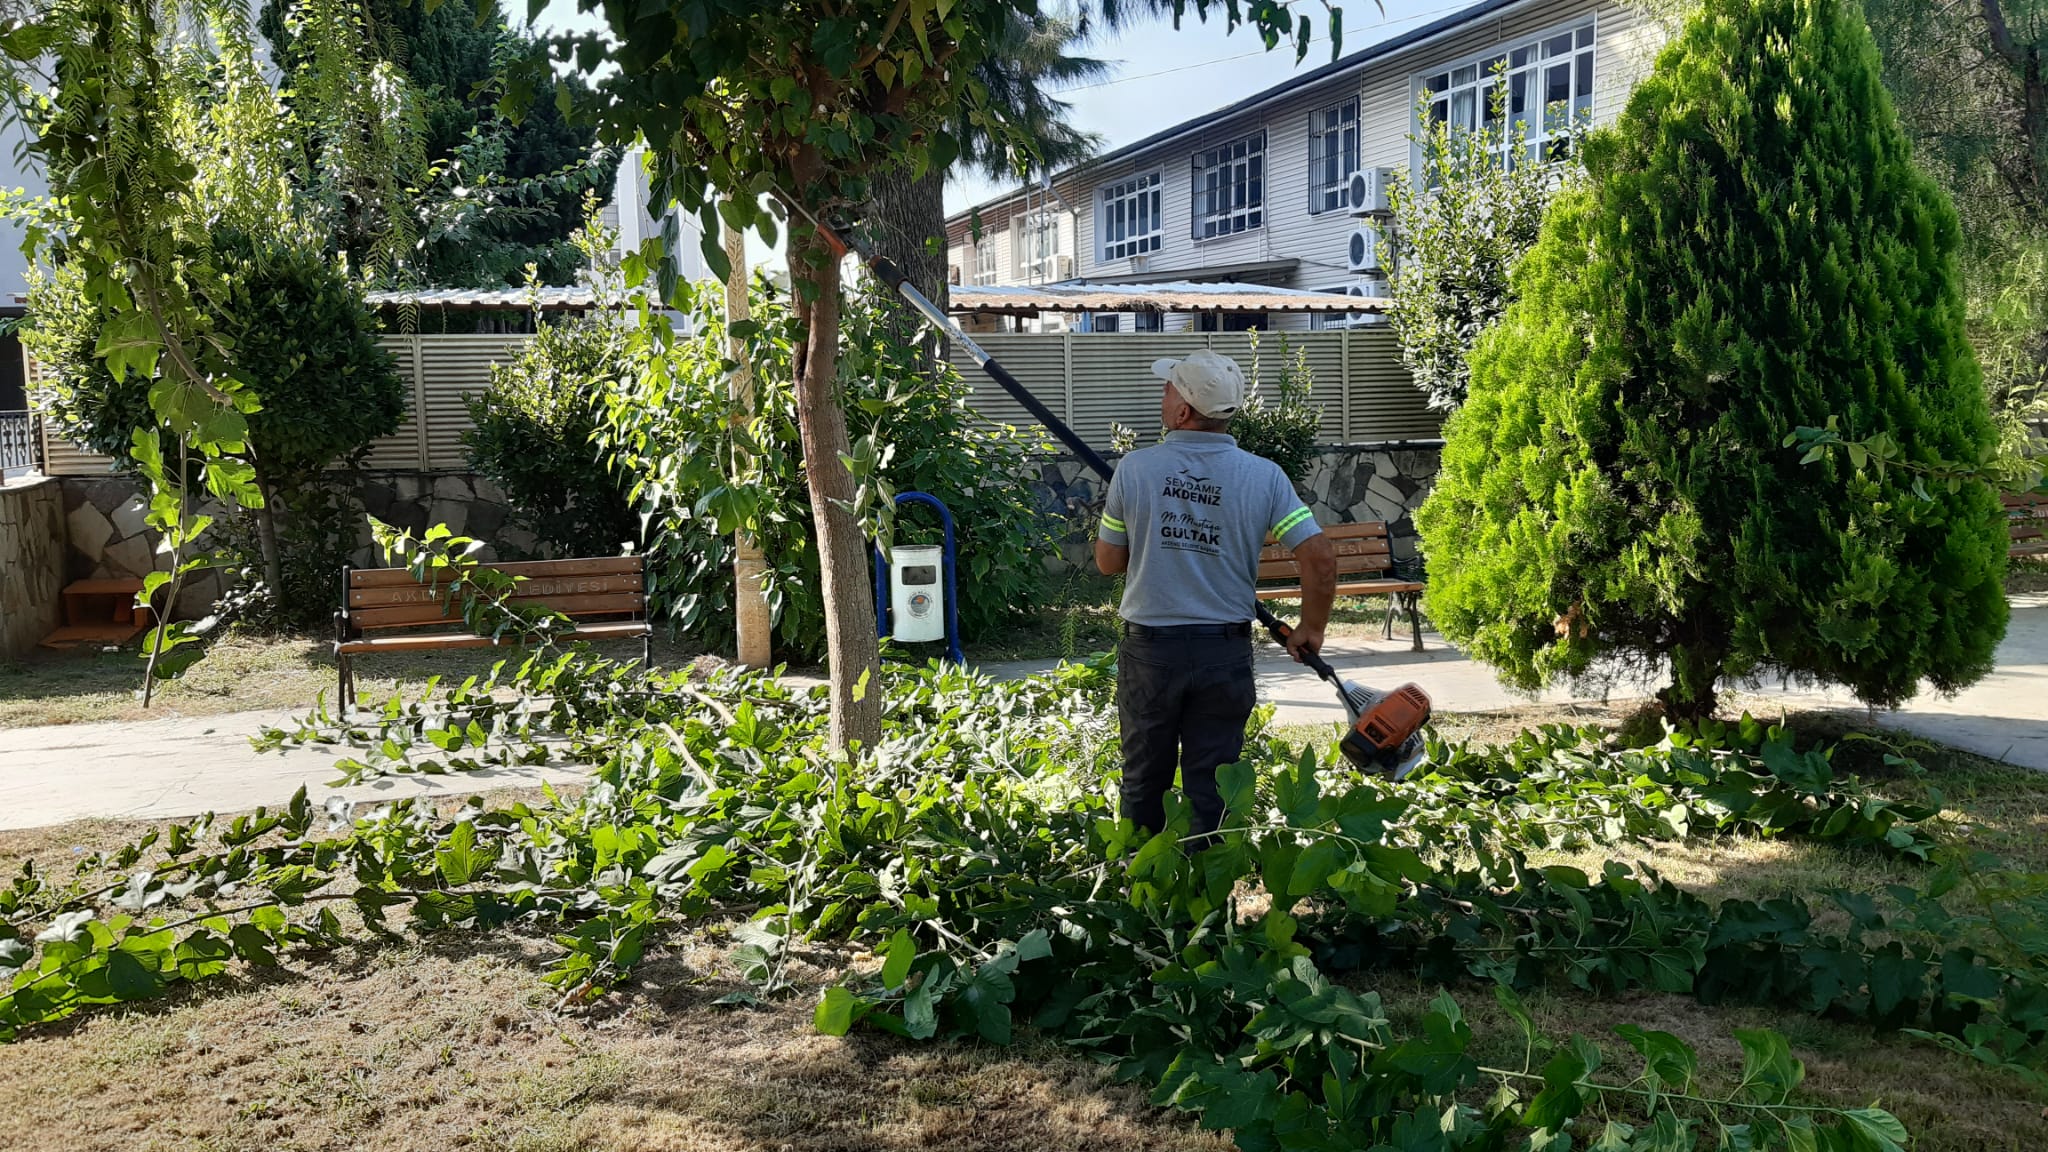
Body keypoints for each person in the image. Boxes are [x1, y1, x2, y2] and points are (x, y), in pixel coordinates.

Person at [1094, 349, 1336, 839]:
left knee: (1144, 781)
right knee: (1215, 786)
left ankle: (1144, 893)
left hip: (1151, 653)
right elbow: (1319, 557)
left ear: (1183, 411)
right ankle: (1210, 896)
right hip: (1222, 653)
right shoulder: (1263, 476)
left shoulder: (1135, 470)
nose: (1161, 397)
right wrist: (1311, 629)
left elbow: (1108, 562)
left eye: (1168, 389)